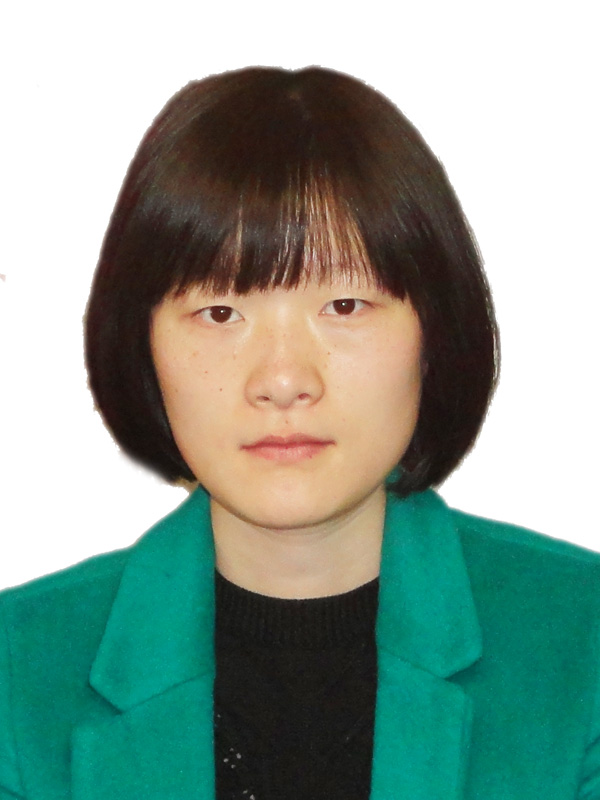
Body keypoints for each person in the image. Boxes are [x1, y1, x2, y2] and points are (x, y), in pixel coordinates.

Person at [0, 66, 598, 800]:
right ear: (142, 345)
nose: (283, 380)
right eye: (221, 313)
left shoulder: (582, 647)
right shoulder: (18, 675)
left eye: (344, 306)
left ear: (434, 335)